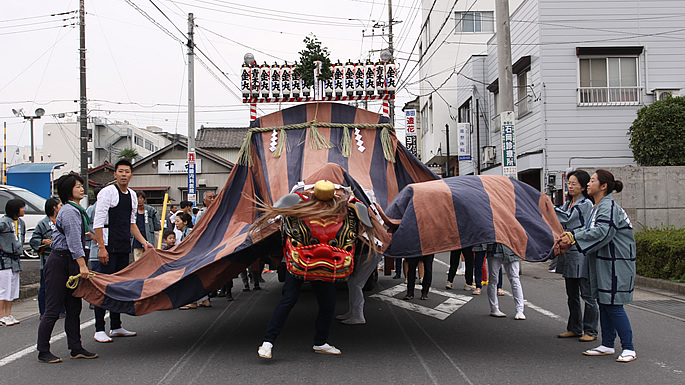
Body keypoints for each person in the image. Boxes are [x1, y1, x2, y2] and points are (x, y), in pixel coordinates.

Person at [559, 169, 637, 363]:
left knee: (613, 304)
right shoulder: (599, 206)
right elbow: (591, 231)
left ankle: (629, 347)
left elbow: (602, 232)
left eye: (592, 181)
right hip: (605, 261)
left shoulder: (607, 207)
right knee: (604, 303)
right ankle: (608, 344)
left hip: (615, 263)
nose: (588, 184)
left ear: (603, 186)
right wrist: (572, 237)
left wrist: (574, 236)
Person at [36, 173, 97, 363]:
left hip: (69, 261)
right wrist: (82, 266)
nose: (81, 188)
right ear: (67, 190)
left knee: (73, 307)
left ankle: (76, 347)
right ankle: (43, 351)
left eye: (81, 185)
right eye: (77, 186)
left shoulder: (77, 209)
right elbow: (73, 241)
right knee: (53, 308)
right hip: (61, 261)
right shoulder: (70, 211)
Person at [92, 159, 152, 343]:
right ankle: (99, 328)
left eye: (127, 171)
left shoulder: (133, 195)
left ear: (131, 174)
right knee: (105, 286)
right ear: (115, 174)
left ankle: (116, 326)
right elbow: (98, 223)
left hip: (123, 245)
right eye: (120, 171)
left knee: (119, 286)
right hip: (108, 247)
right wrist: (101, 248)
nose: (124, 174)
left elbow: (132, 224)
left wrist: (144, 242)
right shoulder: (107, 193)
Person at [555, 170, 598, 342]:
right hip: (569, 252)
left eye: (574, 184)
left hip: (581, 251)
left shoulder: (586, 204)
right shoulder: (567, 204)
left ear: (583, 186)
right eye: (569, 183)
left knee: (587, 295)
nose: (570, 187)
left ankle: (591, 330)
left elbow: (568, 219)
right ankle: (574, 327)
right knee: (571, 294)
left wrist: (548, 207)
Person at [30, 198, 62, 319]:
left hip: (61, 258)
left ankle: (60, 310)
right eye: (60, 205)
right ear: (54, 207)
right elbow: (34, 240)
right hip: (47, 259)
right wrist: (43, 241)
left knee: (61, 286)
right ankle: (43, 312)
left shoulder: (61, 221)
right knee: (45, 286)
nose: (61, 207)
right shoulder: (42, 223)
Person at [0, 199, 26, 326]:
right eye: (22, 207)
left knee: (13, 288)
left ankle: (8, 314)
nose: (24, 210)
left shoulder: (21, 222)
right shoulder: (3, 222)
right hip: (3, 259)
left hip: (16, 259)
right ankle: (1, 315)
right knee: (3, 287)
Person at [487, 243, 525, 320]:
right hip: (495, 249)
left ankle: (520, 310)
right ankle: (494, 308)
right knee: (493, 279)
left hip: (512, 250)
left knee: (515, 279)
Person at [131, 191, 161, 261]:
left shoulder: (151, 210)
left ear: (144, 200)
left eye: (141, 198)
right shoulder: (132, 210)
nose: (139, 200)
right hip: (136, 240)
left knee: (149, 260)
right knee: (138, 261)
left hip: (149, 238)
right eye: (137, 198)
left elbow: (157, 225)